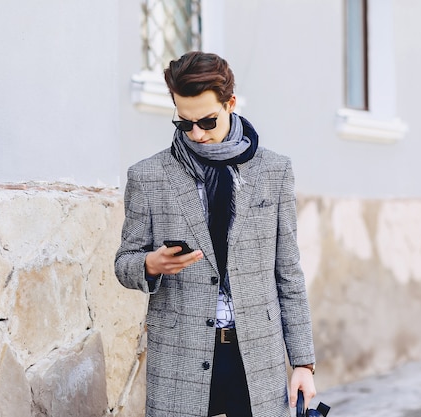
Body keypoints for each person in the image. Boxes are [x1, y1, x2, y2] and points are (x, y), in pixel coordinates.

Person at [115, 51, 316, 417]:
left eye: (208, 121)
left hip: (257, 354)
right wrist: (150, 264)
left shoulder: (275, 170)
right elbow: (124, 263)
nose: (197, 134)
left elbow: (288, 272)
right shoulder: (147, 176)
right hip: (180, 355)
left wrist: (303, 362)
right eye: (184, 124)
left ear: (231, 103)